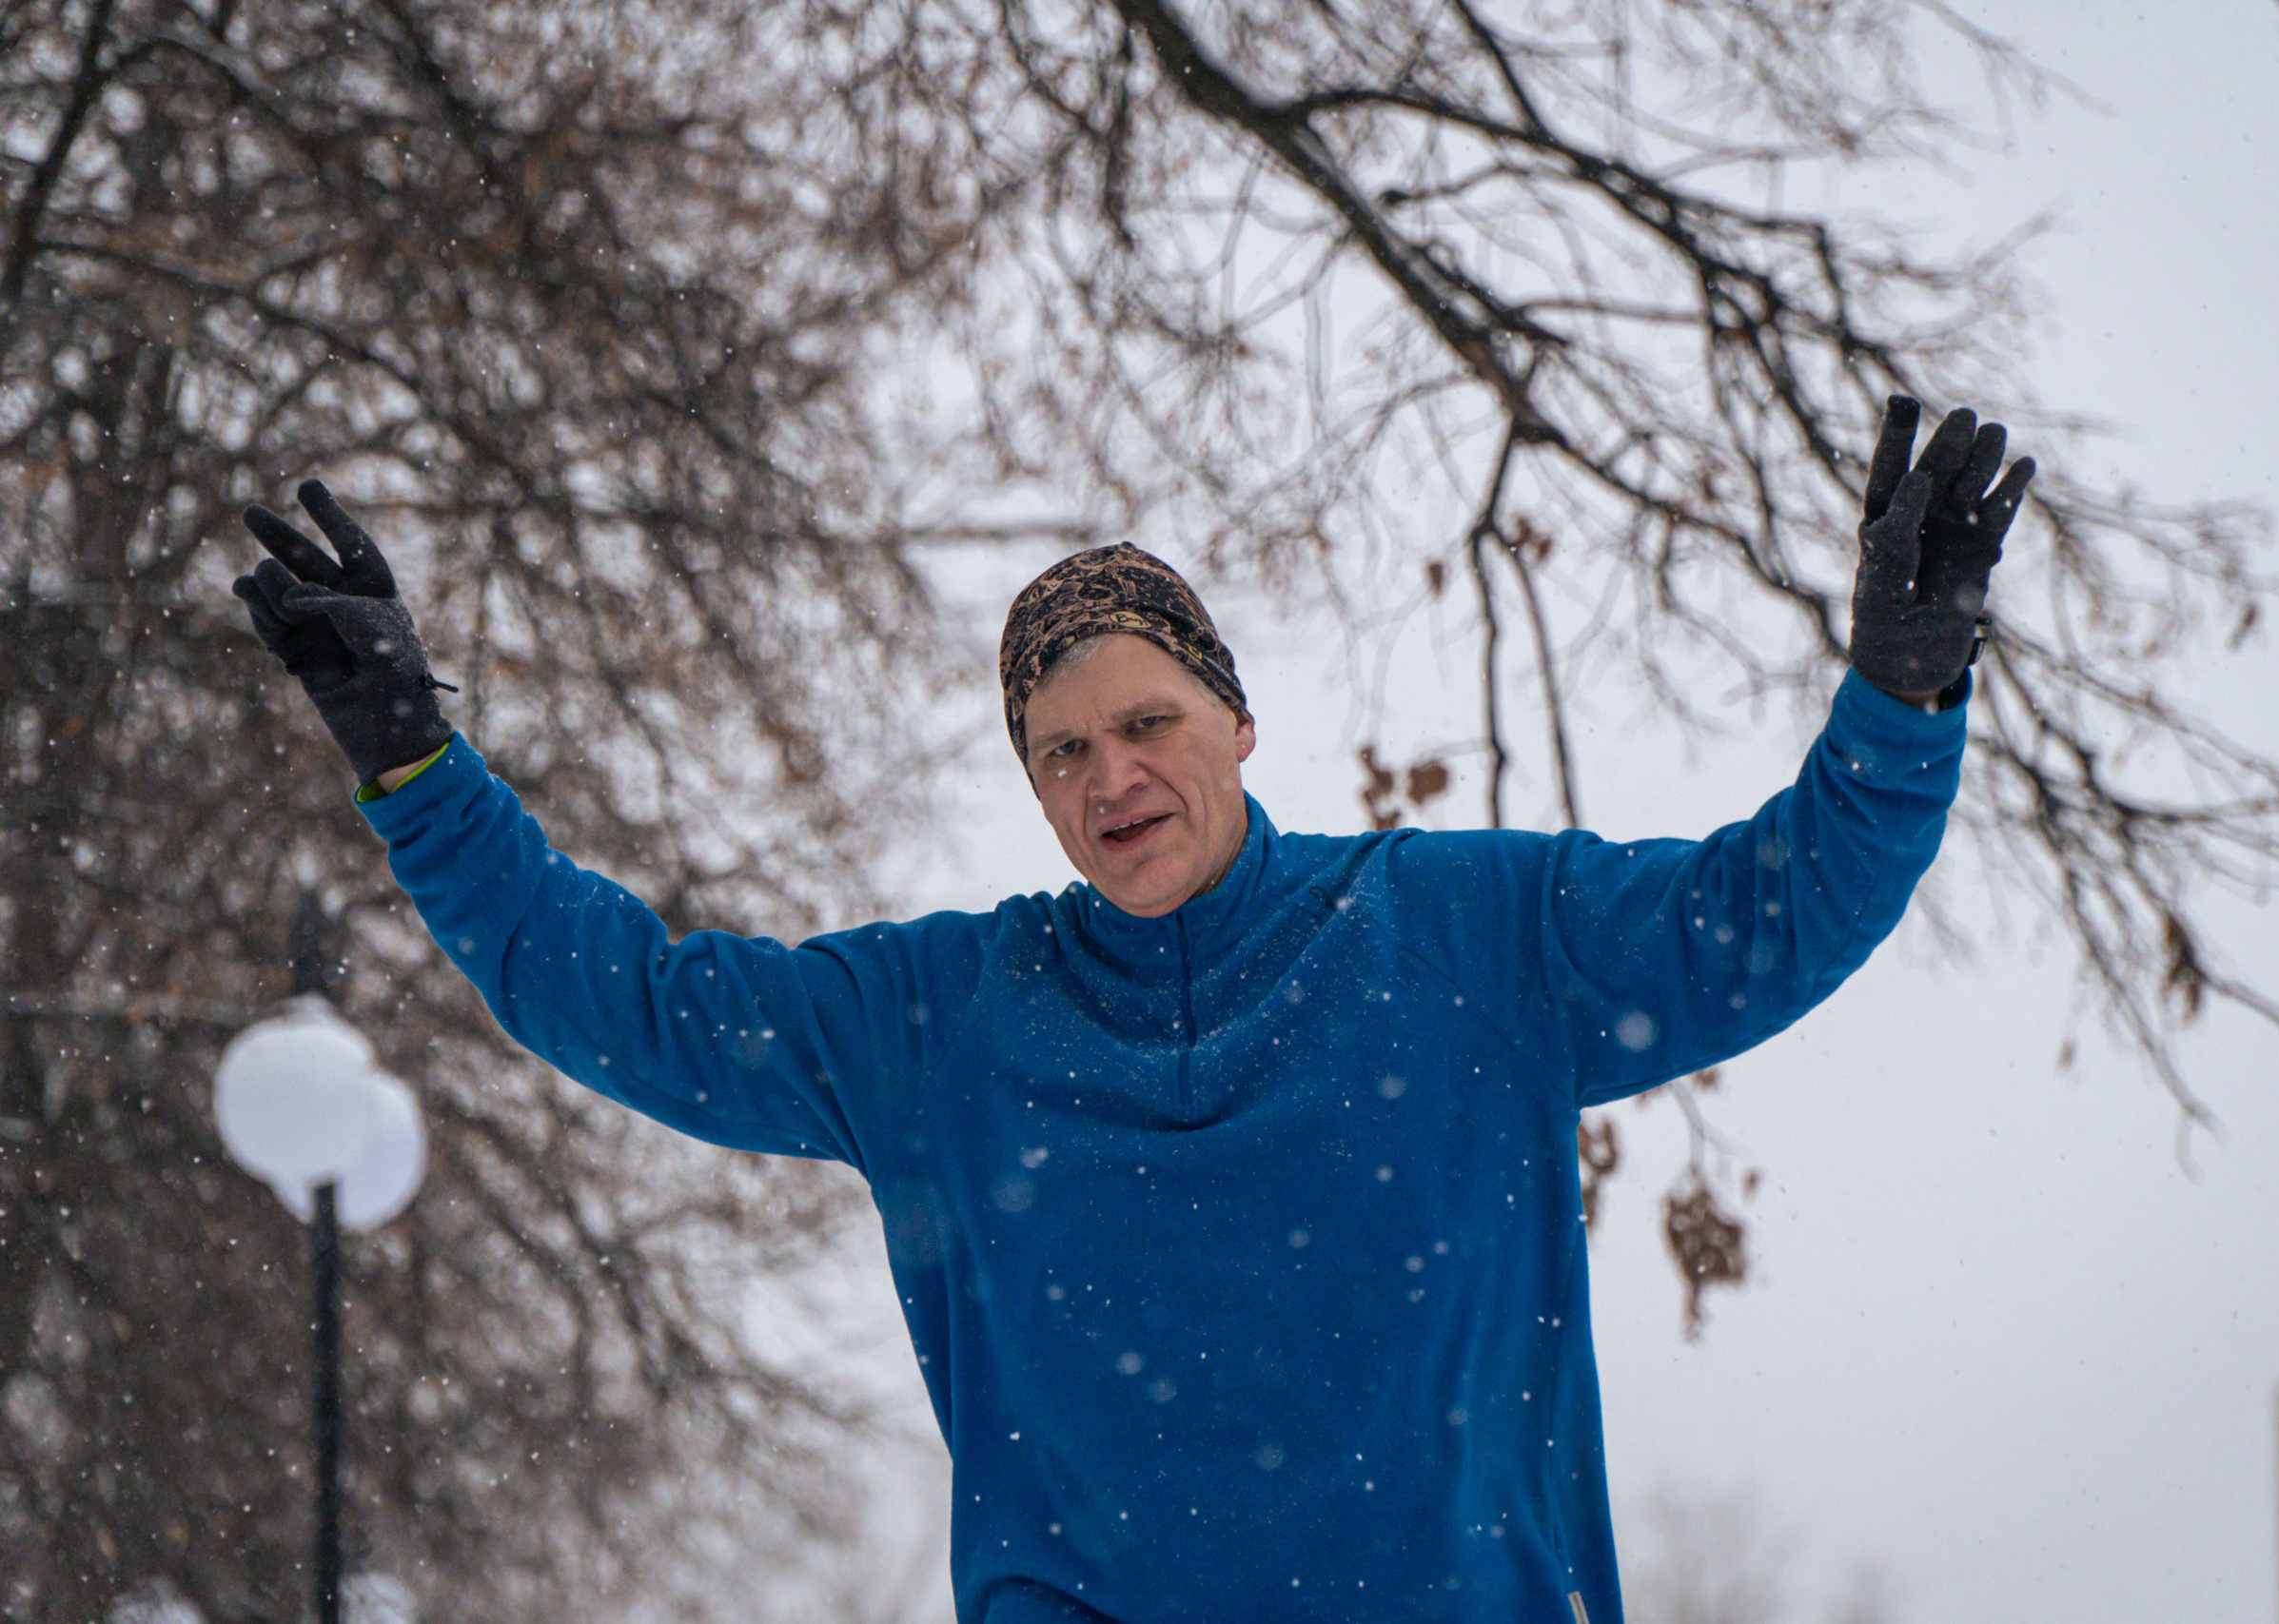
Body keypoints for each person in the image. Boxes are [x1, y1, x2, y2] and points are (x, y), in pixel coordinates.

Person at [234, 397, 2032, 1624]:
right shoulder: (942, 1022)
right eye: (1062, 752)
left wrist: (1901, 687)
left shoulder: (1466, 937)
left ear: (1237, 723)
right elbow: (623, 997)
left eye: (1147, 723)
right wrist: (415, 764)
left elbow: (1767, 915)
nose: (1113, 776)